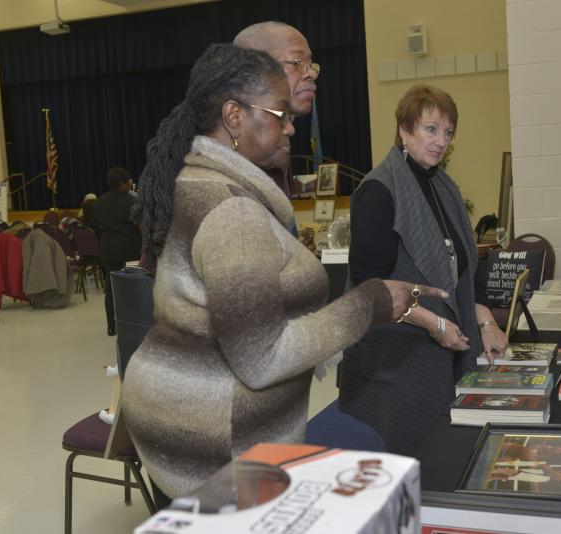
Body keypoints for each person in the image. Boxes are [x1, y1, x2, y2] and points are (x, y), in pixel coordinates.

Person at [122, 45, 445, 500]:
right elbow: (262, 359)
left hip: (181, 413)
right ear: (234, 116)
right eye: (280, 115)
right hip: (216, 444)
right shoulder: (233, 212)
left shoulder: (201, 184)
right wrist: (370, 303)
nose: (291, 127)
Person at [338, 84, 508, 455]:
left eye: (448, 133)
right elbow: (370, 288)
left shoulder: (442, 187)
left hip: (441, 350)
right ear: (403, 129)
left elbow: (466, 268)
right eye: (430, 129)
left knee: (442, 457)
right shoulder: (379, 191)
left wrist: (486, 324)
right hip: (397, 361)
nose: (440, 141)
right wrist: (435, 324)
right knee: (413, 462)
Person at [234, 21, 320, 198]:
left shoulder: (273, 140)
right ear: (253, 71)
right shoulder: (230, 153)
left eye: (311, 64)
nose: (312, 73)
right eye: (296, 62)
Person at [93, 167, 142, 336]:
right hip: (131, 249)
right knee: (135, 286)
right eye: (128, 181)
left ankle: (112, 326)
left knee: (111, 287)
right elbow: (140, 226)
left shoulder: (98, 203)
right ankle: (134, 323)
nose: (130, 184)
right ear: (122, 183)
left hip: (108, 249)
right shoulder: (133, 202)